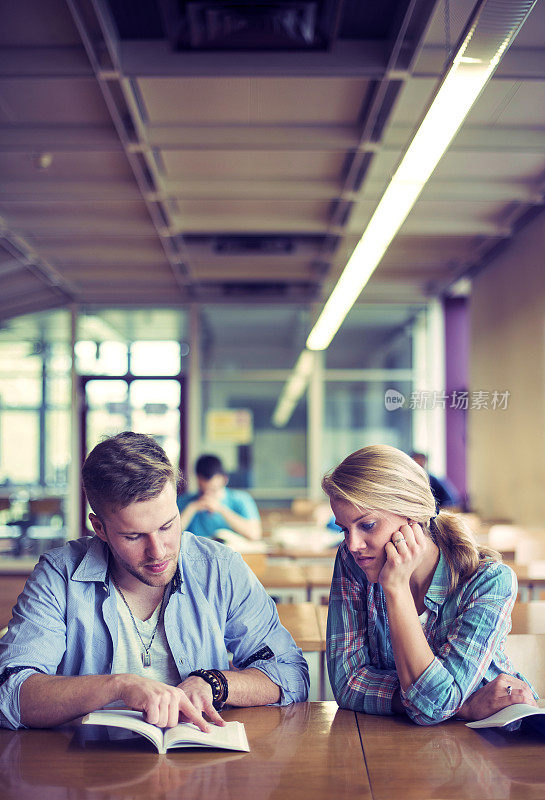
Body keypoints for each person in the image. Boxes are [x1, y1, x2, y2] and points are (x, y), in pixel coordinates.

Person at [0, 432, 309, 730]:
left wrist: (216, 683)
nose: (158, 551)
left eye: (167, 525)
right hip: (87, 774)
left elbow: (290, 674)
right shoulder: (59, 576)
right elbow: (10, 693)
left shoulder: (221, 568)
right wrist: (117, 685)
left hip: (199, 769)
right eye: (134, 536)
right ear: (100, 528)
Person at [323, 444, 536, 725]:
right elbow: (348, 683)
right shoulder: (352, 561)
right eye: (344, 529)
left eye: (368, 525)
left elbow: (433, 707)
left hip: (492, 740)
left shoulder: (489, 581)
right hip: (395, 745)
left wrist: (396, 589)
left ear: (412, 515)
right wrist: (463, 705)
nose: (352, 544)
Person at [178, 454, 262, 541]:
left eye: (213, 490)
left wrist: (221, 509)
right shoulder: (185, 501)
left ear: (225, 479)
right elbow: (172, 535)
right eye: (202, 490)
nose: (207, 494)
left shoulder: (242, 499)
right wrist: (192, 509)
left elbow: (254, 534)